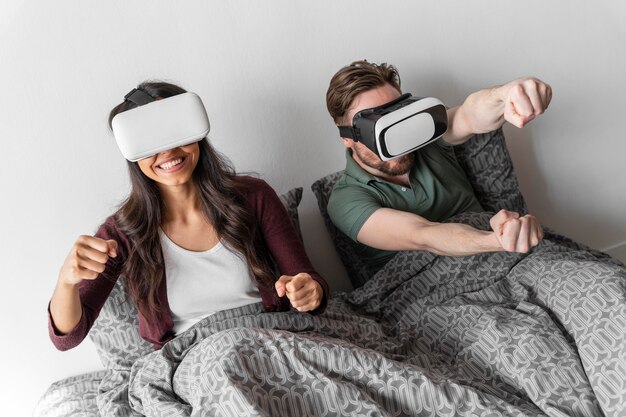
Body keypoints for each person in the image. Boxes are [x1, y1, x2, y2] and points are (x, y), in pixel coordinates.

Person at [48, 82, 328, 350]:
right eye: (149, 141)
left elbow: (311, 283)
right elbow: (68, 338)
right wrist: (66, 281)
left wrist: (310, 292)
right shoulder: (122, 233)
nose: (168, 151)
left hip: (270, 340)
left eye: (175, 132)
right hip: (195, 359)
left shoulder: (254, 197)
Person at [326, 60, 552, 274]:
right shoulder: (346, 199)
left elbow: (469, 114)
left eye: (397, 119)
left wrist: (509, 93)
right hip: (428, 288)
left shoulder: (428, 142)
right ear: (347, 137)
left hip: (510, 261)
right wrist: (495, 240)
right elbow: (423, 235)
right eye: (376, 129)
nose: (394, 139)